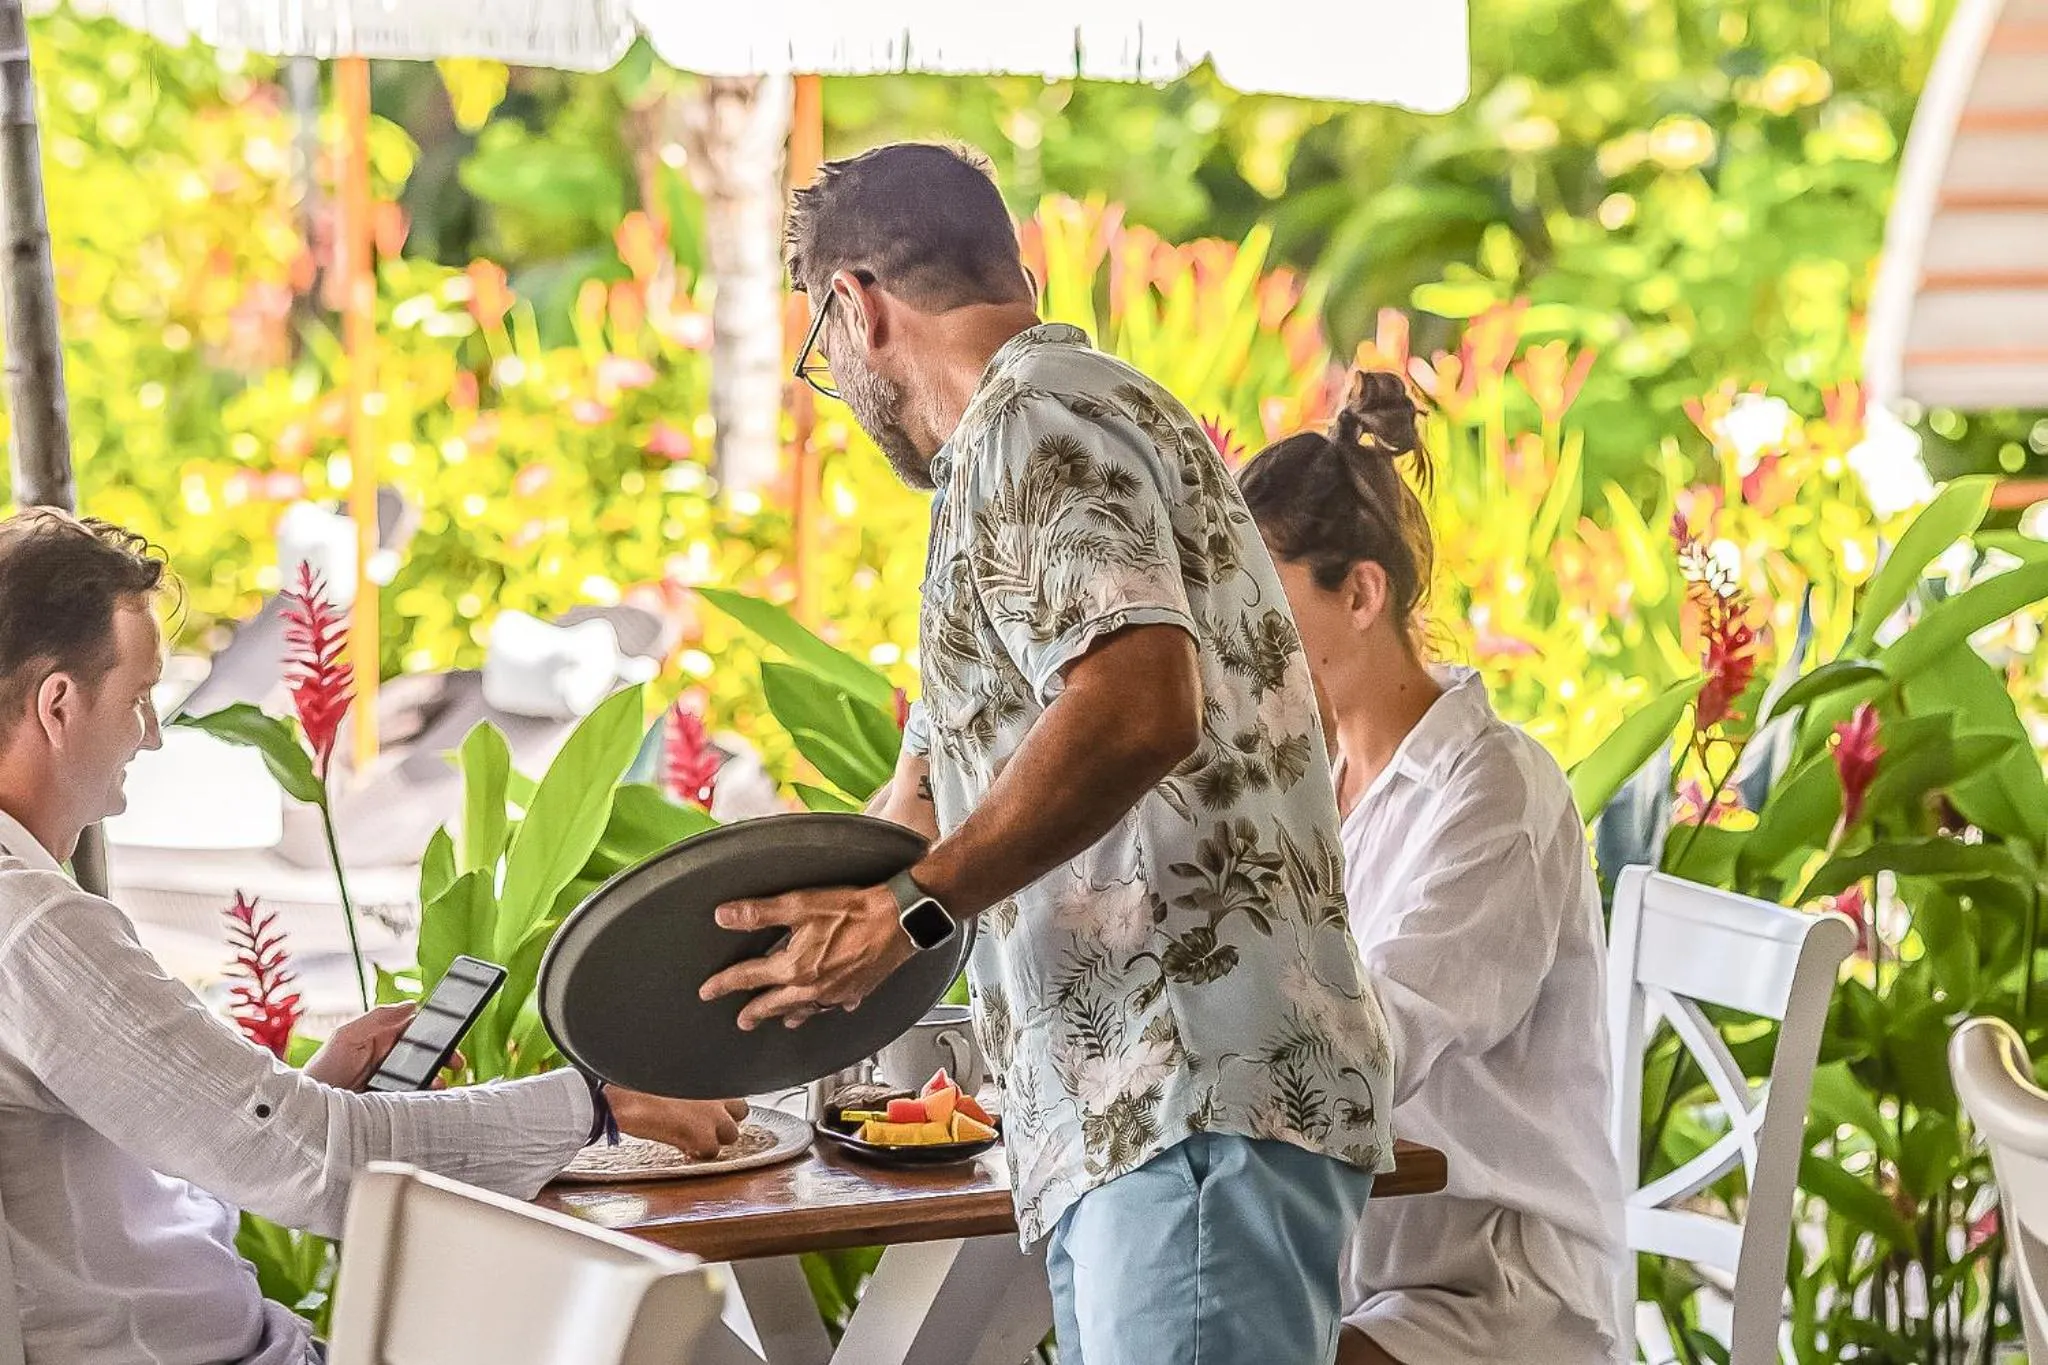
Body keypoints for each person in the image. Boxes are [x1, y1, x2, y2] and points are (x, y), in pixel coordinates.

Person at [697, 141, 1395, 1365]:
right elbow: (922, 802)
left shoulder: (1033, 426)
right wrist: (769, 987)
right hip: (1145, 1107)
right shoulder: (1053, 433)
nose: (840, 386)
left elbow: (1134, 705)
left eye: (821, 347)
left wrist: (912, 913)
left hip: (1180, 1095)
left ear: (856, 311)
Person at [0, 508, 747, 1365]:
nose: (153, 734)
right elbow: (328, 1159)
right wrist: (599, 1106)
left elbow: (166, 1175)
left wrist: (299, 1088)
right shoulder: (32, 926)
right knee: (667, 1331)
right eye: (138, 699)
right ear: (58, 705)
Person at [1237, 372, 1628, 1365]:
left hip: (1494, 1295)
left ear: (1359, 593)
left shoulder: (1494, 797)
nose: (1237, 647)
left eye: (1262, 610)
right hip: (1353, 1269)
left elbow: (1373, 1043)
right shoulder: (1312, 776)